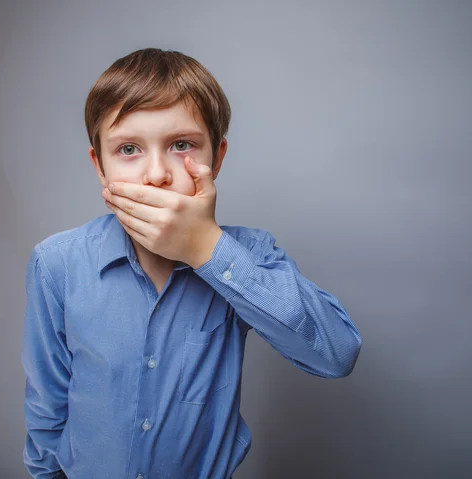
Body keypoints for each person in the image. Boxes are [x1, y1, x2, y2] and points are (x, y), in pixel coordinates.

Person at [21, 47, 362, 479]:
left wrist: (206, 248)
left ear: (216, 158)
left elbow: (336, 354)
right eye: (128, 149)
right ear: (100, 167)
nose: (157, 174)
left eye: (182, 145)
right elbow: (46, 403)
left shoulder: (248, 256)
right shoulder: (57, 263)